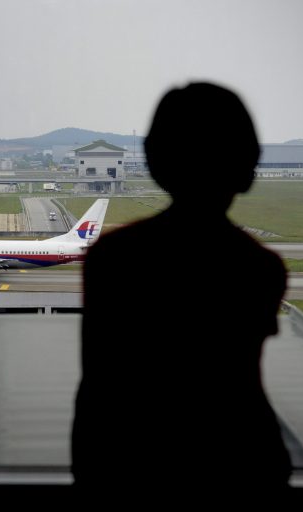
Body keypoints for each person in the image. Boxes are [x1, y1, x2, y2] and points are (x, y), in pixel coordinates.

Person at [71, 83, 291, 497]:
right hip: (240, 458)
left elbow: (99, 385)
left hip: (133, 460)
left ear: (155, 163)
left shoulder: (115, 258)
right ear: (248, 167)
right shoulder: (259, 267)